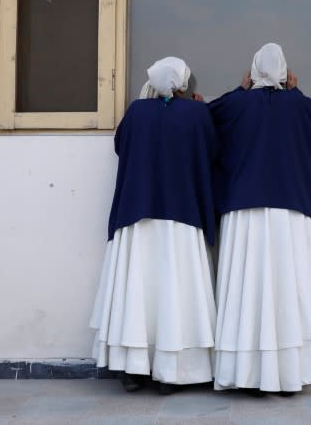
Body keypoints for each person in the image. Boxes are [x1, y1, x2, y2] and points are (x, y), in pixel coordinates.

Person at [208, 43, 311, 396]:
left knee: (246, 289)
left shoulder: (237, 104)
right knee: (286, 287)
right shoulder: (297, 106)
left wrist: (241, 89)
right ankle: (290, 374)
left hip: (242, 212)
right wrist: (296, 91)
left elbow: (209, 116)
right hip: (287, 212)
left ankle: (242, 374)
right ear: (284, 71)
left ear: (253, 70)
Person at [89, 57, 218, 394]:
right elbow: (211, 150)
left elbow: (122, 147)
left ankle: (132, 371)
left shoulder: (136, 112)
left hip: (138, 214)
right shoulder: (197, 114)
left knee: (137, 291)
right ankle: (172, 372)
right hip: (182, 214)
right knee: (177, 291)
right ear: (183, 83)